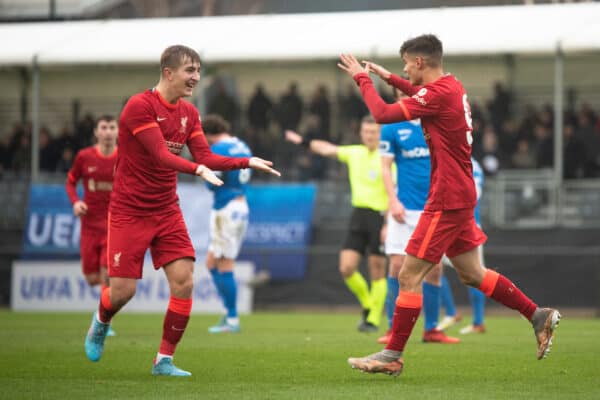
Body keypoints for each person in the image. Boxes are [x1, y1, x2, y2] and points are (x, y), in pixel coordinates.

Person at [338, 34, 560, 377]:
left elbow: (381, 113)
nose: (405, 70)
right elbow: (420, 93)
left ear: (420, 63)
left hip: (446, 198)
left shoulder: (437, 95)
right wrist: (389, 78)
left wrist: (362, 78)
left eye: (406, 65)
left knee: (408, 275)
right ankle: (537, 315)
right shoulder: (451, 86)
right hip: (460, 194)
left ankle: (392, 355)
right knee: (472, 274)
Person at [83, 45, 280, 377]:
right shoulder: (139, 106)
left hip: (166, 209)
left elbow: (207, 156)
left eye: (199, 71)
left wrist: (247, 161)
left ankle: (164, 360)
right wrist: (196, 170)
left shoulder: (189, 113)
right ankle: (101, 321)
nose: (196, 78)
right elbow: (161, 155)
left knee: (184, 281)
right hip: (130, 210)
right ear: (168, 72)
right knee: (123, 292)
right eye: (190, 71)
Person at [286, 116, 388, 332]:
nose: (370, 136)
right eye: (367, 132)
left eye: (374, 132)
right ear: (361, 133)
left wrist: (388, 224)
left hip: (380, 216)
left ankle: (373, 319)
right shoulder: (355, 153)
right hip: (359, 214)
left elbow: (395, 191)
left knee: (377, 269)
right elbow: (326, 149)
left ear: (380, 134)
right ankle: (369, 304)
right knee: (346, 267)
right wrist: (303, 142)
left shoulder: (387, 157)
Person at [378, 91, 459, 345]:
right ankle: (393, 327)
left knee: (435, 268)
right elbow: (385, 167)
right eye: (402, 94)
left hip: (434, 208)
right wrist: (392, 201)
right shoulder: (392, 126)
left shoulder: (435, 121)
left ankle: (432, 328)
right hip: (404, 207)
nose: (407, 96)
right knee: (396, 265)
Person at [66, 115, 119, 336]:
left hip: (113, 224)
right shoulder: (84, 157)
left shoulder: (125, 157)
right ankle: (104, 308)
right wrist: (76, 201)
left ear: (118, 132)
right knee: (91, 278)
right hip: (89, 225)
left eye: (112, 127)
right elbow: (71, 181)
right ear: (96, 132)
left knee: (107, 274)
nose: (108, 132)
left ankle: (103, 320)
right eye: (103, 128)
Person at [202, 114, 252, 334]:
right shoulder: (242, 146)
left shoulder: (218, 149)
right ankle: (228, 312)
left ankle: (232, 318)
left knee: (224, 263)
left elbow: (214, 182)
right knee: (211, 262)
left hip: (226, 207)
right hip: (240, 204)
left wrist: (203, 173)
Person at [438, 158, 487, 335]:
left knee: (475, 274)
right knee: (433, 266)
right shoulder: (454, 158)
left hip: (467, 226)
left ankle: (477, 321)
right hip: (451, 225)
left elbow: (474, 193)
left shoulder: (471, 163)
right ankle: (452, 313)